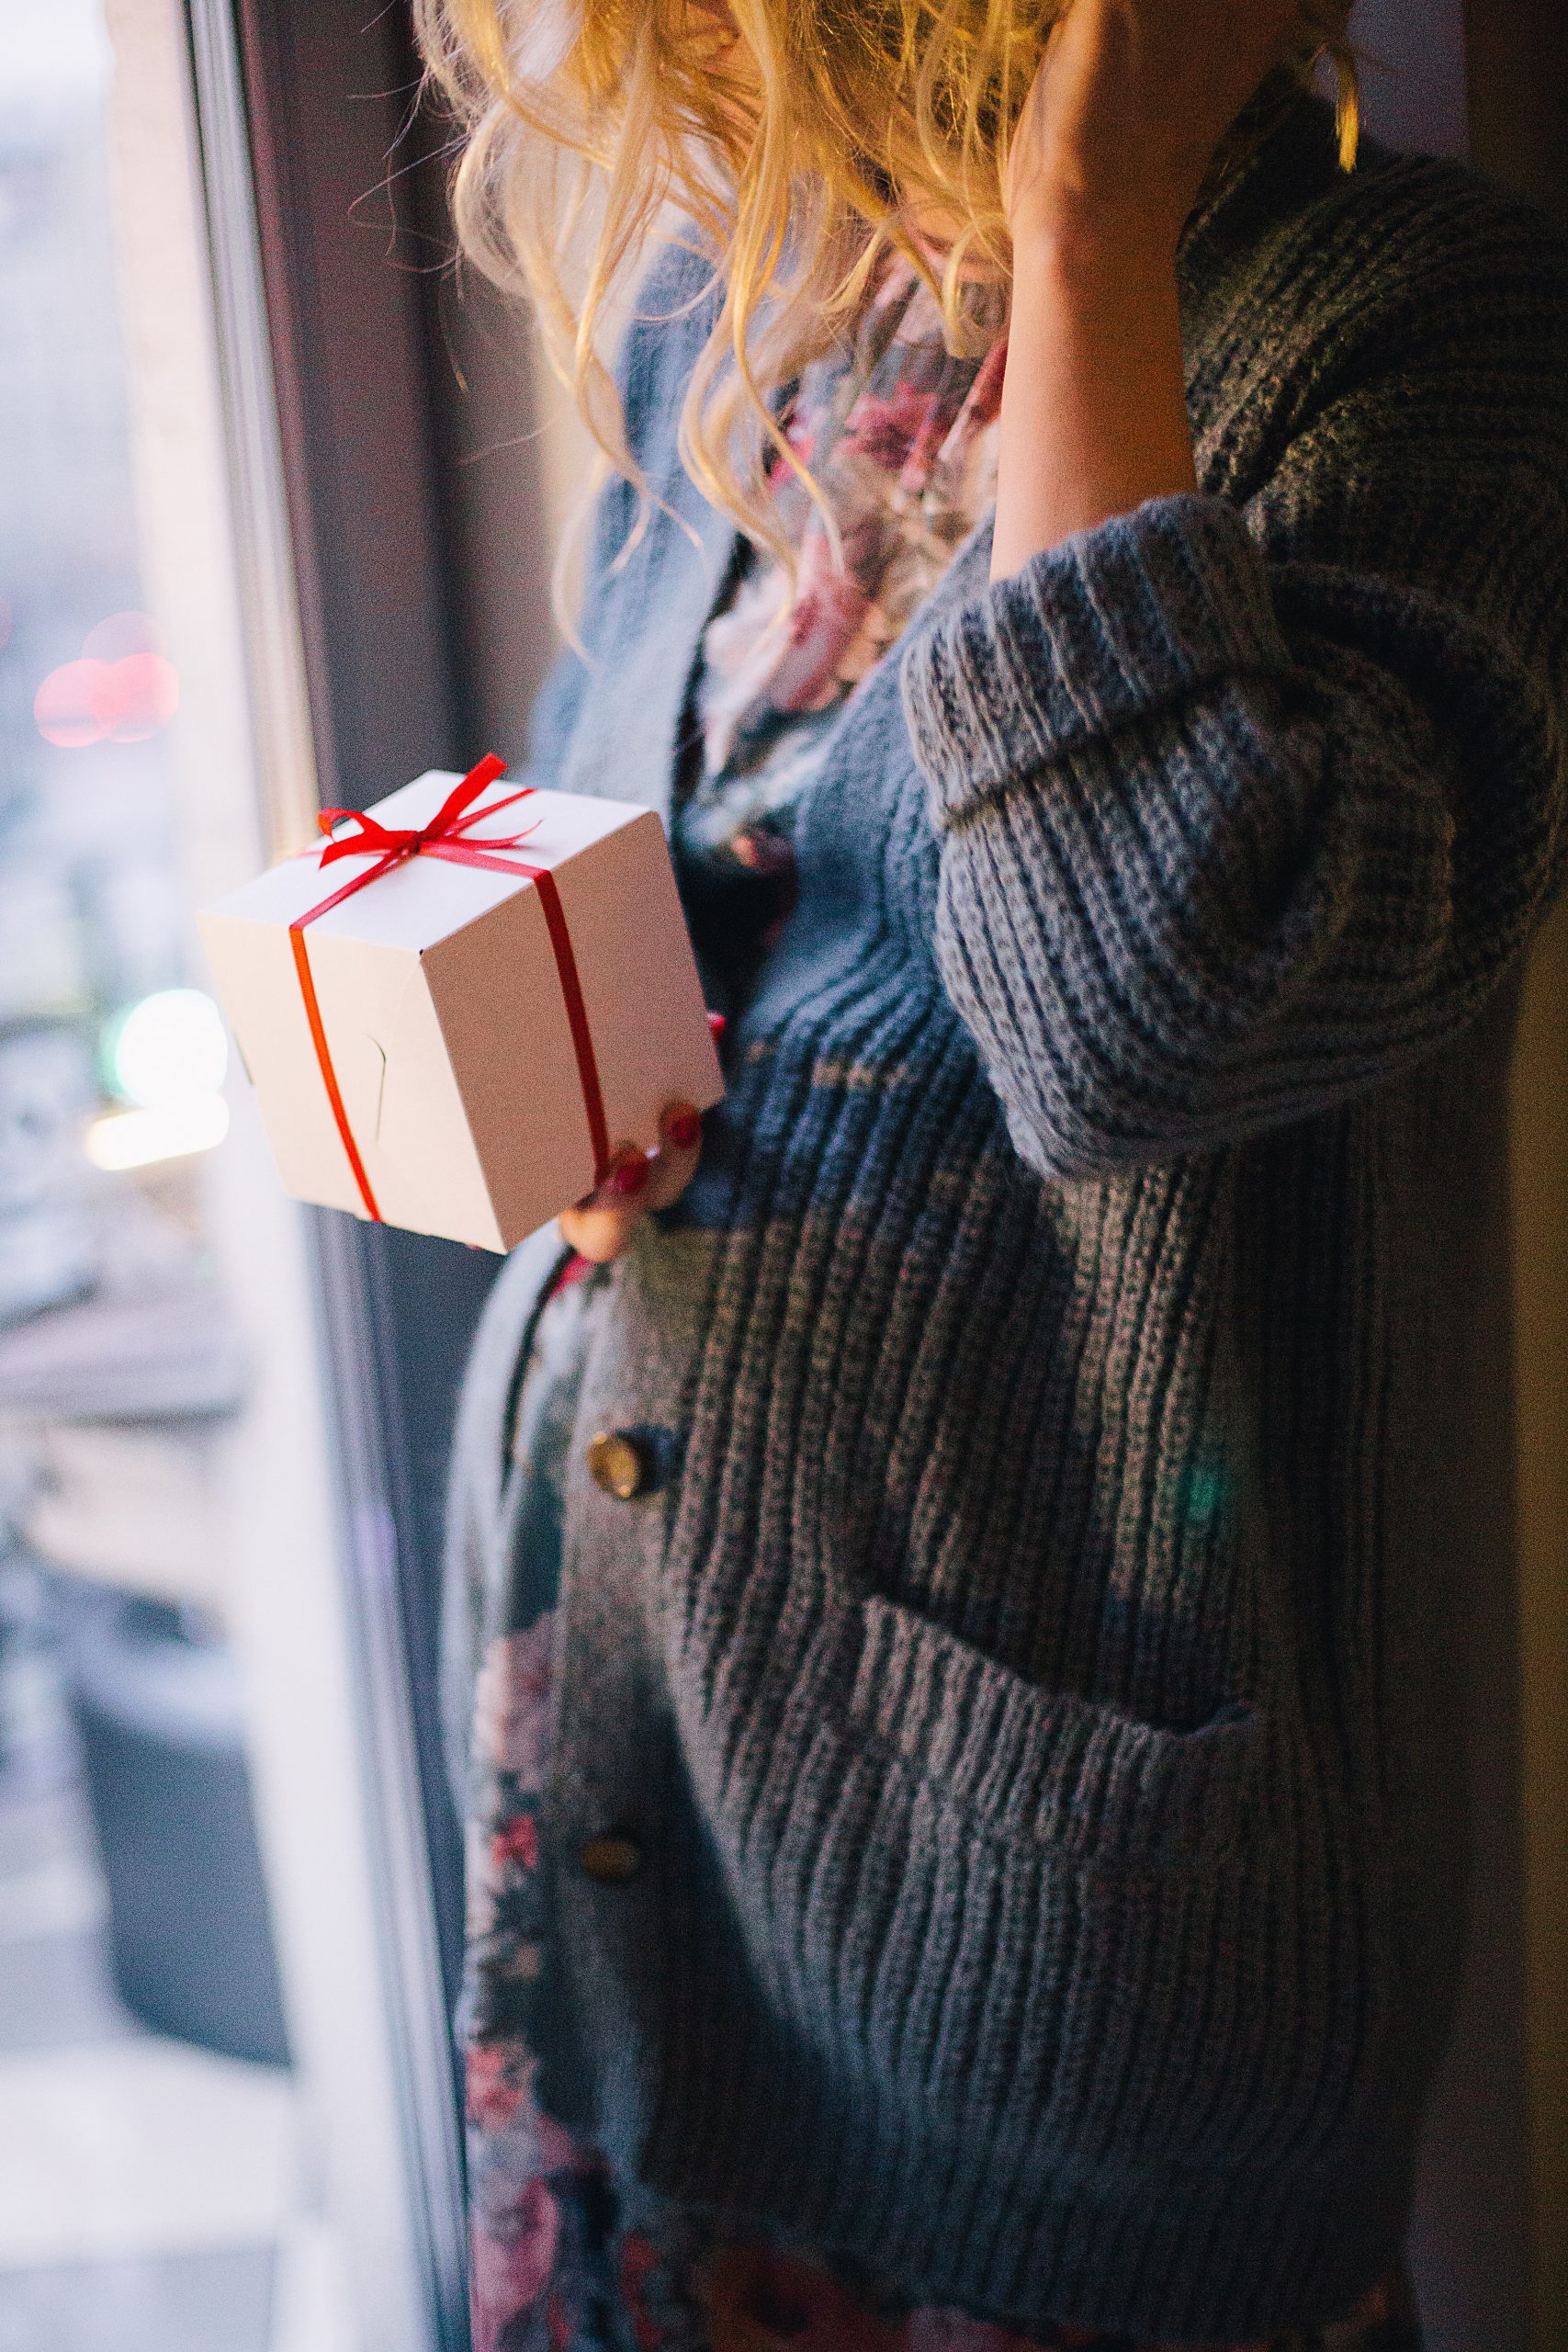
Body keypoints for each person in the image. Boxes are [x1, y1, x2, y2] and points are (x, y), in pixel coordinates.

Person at [420, 4, 1568, 2348]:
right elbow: (641, 839)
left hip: (1024, 1936)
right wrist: (548, 1058)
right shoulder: (723, 310)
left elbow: (1145, 1004)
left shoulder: (1412, 331)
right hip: (632, 1721)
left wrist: (1082, 218)